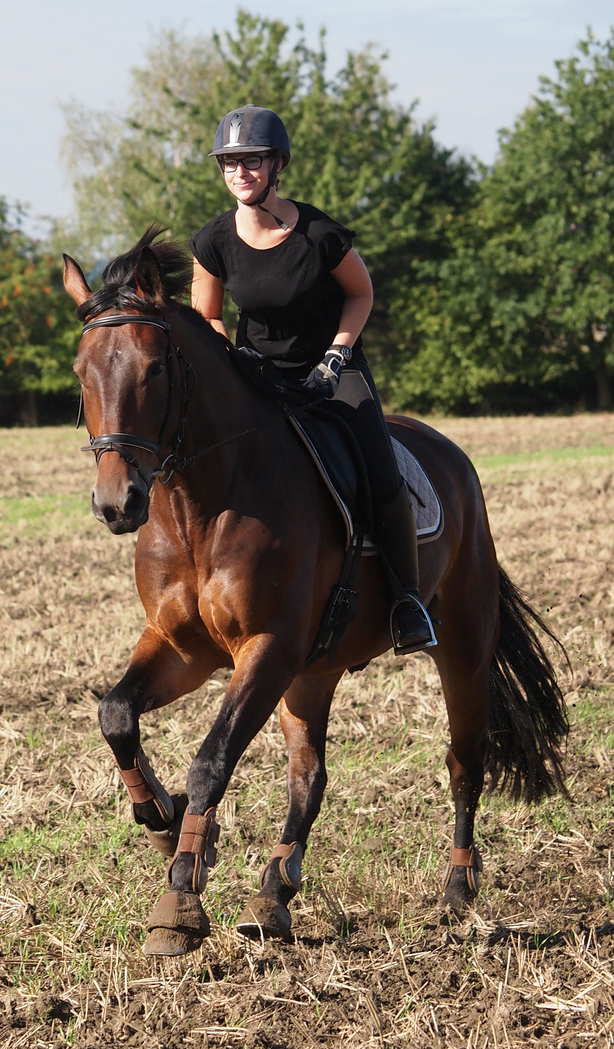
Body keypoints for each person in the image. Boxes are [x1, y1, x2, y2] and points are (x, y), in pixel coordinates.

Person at [187, 104, 437, 654]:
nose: (239, 173)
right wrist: (234, 359)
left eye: (251, 161)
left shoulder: (319, 233)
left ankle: (408, 601)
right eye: (229, 163)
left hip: (331, 370)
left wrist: (336, 358)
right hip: (258, 373)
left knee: (378, 468)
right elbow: (207, 316)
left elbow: (361, 293)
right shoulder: (211, 242)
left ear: (278, 165)